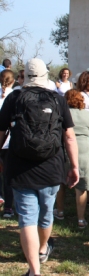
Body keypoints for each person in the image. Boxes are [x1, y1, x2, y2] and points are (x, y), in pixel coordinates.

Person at [0, 58, 79, 276]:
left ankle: (34, 270)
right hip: (51, 167)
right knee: (46, 214)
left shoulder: (14, 98)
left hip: (19, 167)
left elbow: (1, 132)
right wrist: (74, 166)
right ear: (46, 75)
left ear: (24, 75)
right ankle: (43, 248)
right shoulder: (57, 99)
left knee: (26, 217)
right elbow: (69, 137)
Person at [54, 89, 89, 228]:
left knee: (61, 184)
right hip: (84, 152)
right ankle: (81, 219)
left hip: (65, 151)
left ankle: (60, 211)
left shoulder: (61, 114)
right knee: (81, 187)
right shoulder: (88, 115)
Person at [0, 69, 15, 218]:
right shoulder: (15, 96)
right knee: (9, 174)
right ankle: (9, 207)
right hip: (9, 139)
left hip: (4, 138)